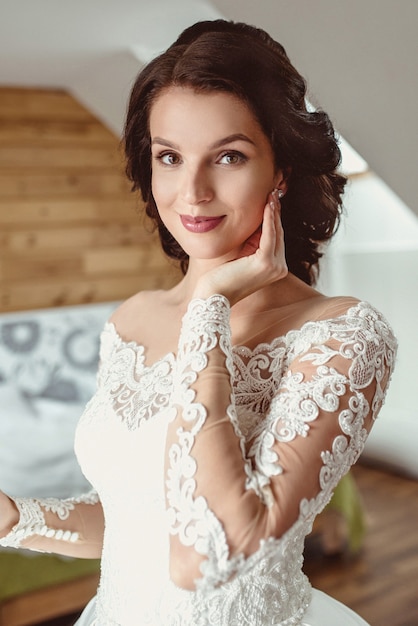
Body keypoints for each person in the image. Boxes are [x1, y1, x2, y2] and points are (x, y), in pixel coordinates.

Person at [0, 19, 397, 626]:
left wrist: (209, 307)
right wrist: (13, 518)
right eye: (169, 156)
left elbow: (208, 552)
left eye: (229, 156)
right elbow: (134, 526)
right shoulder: (131, 321)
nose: (193, 191)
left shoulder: (343, 336)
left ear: (281, 169)